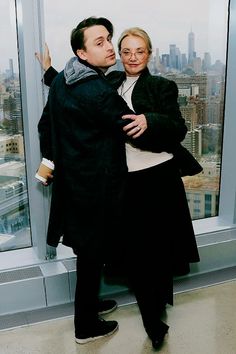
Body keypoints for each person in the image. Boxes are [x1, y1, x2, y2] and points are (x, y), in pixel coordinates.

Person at [36, 26, 201, 350]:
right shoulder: (107, 83)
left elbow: (178, 127)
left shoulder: (162, 86)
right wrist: (50, 72)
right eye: (126, 50)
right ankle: (147, 318)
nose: (132, 56)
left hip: (158, 180)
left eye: (140, 51)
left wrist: (149, 120)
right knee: (137, 254)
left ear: (150, 54)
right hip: (126, 184)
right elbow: (81, 94)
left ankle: (154, 322)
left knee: (155, 253)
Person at [37, 17, 147, 345]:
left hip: (74, 184)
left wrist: (48, 72)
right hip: (95, 188)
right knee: (90, 256)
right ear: (82, 54)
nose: (110, 46)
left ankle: (90, 304)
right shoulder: (98, 90)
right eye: (99, 42)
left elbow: (57, 112)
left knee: (88, 253)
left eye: (108, 39)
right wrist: (149, 119)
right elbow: (127, 124)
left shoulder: (65, 80)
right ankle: (85, 326)